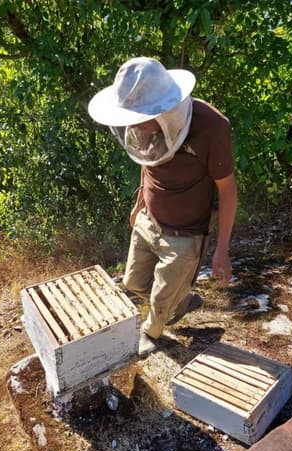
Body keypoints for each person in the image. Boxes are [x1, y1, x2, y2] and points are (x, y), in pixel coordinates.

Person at [88, 57, 237, 355]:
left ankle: (152, 334)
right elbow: (148, 162)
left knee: (159, 302)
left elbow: (228, 191)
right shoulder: (142, 125)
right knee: (133, 282)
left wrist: (222, 251)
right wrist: (139, 201)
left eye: (138, 116)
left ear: (165, 110)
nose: (133, 125)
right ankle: (180, 303)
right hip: (148, 220)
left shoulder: (210, 126)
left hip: (185, 235)